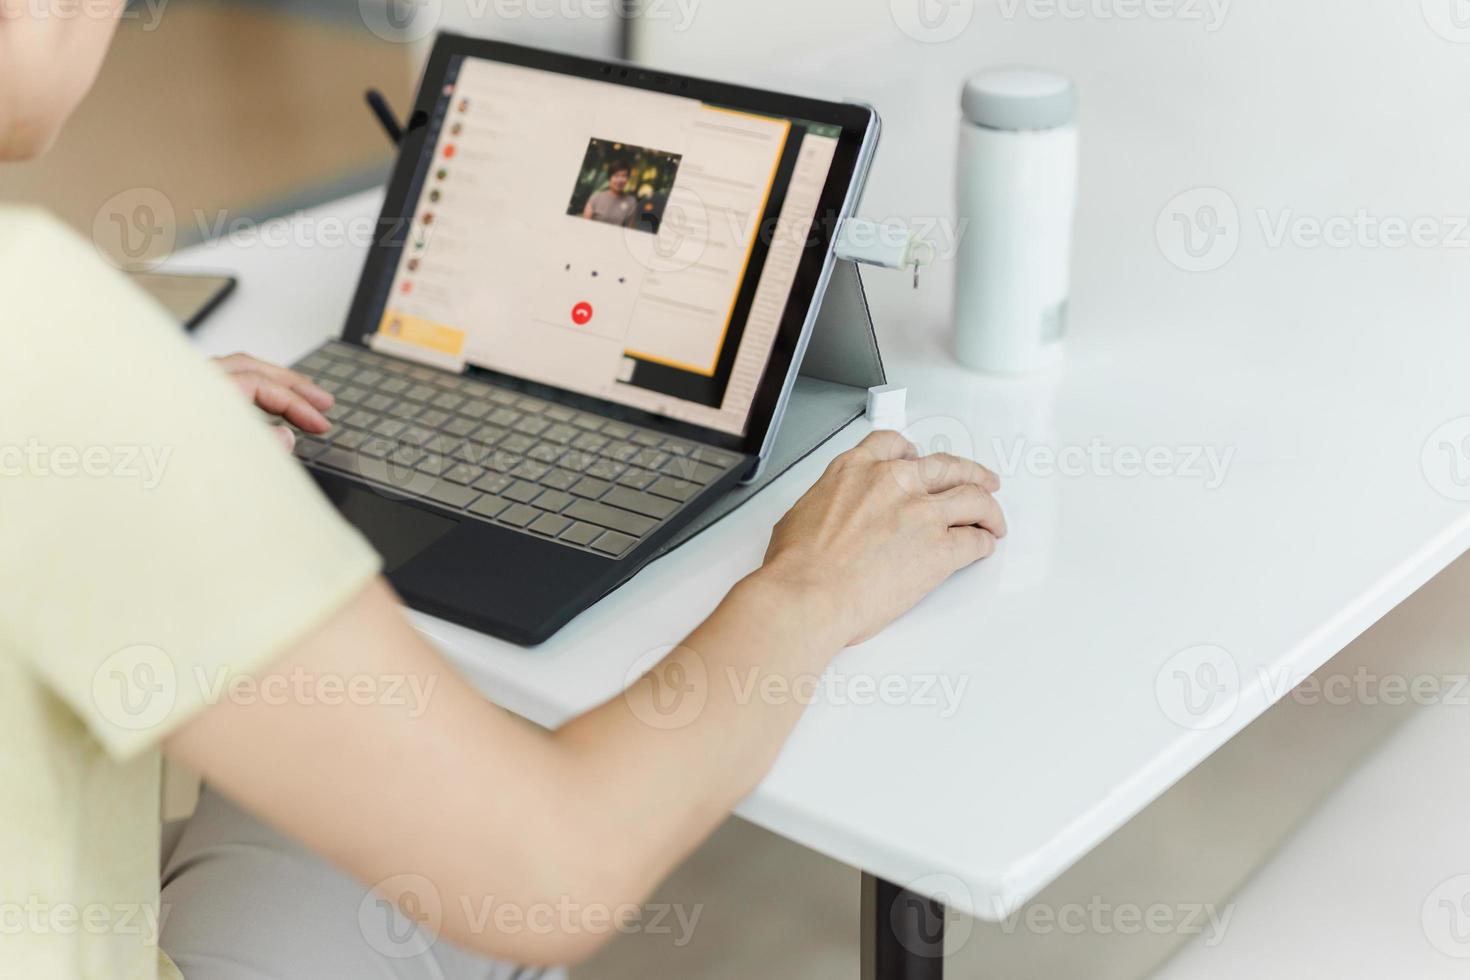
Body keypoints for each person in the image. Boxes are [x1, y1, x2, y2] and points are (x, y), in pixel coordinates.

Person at [0, 5, 1007, 979]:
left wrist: (137, 432)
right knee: (458, 835)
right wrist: (808, 587)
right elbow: (560, 867)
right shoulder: (44, 335)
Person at [580, 159, 639, 228]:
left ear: (627, 178)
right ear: (609, 177)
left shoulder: (631, 201)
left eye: (624, 176)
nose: (620, 180)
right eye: (616, 176)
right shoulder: (596, 197)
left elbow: (629, 229)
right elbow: (584, 226)